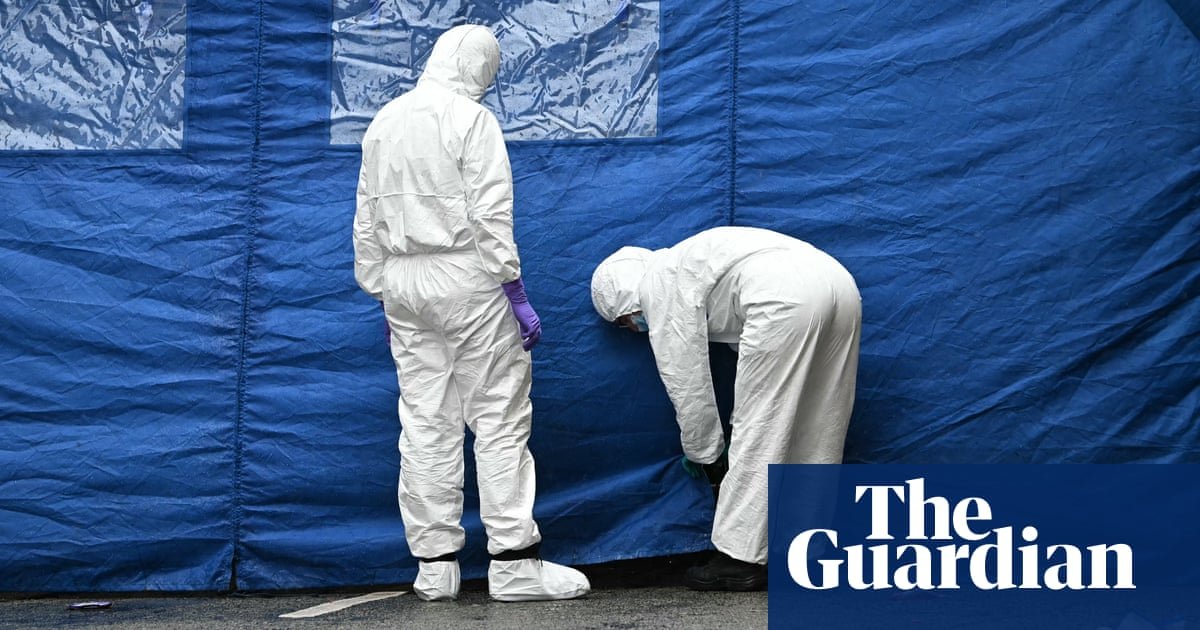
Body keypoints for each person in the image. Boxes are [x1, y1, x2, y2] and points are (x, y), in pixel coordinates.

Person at [353, 24, 590, 603]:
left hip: (403, 282)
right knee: (499, 414)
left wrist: (382, 292)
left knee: (425, 422)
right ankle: (513, 563)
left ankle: (435, 567)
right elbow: (490, 214)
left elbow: (366, 219)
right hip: (467, 277)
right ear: (477, 65)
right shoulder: (471, 119)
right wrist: (514, 290)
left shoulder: (384, 121)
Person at [590, 226, 862, 591]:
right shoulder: (688, 264)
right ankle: (805, 547)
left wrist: (705, 452)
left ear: (623, 299)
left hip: (782, 299)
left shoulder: (658, 287)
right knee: (820, 423)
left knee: (760, 427)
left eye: (625, 322)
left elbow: (688, 384)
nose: (633, 328)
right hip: (840, 284)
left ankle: (739, 558)